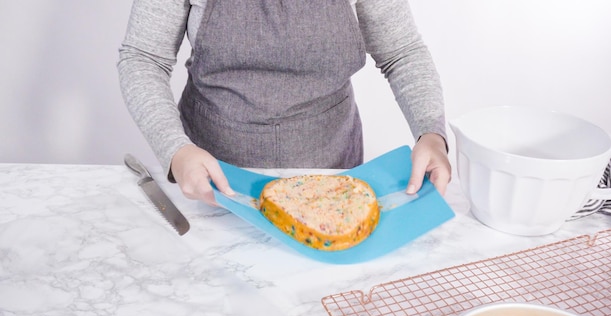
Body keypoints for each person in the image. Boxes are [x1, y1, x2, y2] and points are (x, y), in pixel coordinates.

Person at [118, 0, 451, 207]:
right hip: (213, 184)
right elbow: (143, 58)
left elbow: (402, 53)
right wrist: (176, 151)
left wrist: (431, 133)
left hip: (331, 179)